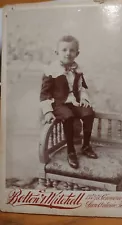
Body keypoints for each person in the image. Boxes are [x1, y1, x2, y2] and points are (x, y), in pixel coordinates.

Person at [40, 35, 98, 169]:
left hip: (74, 102)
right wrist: (48, 111)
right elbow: (44, 93)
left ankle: (86, 145)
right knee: (68, 117)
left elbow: (82, 87)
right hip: (59, 104)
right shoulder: (51, 70)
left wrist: (84, 98)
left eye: (72, 50)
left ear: (77, 53)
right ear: (57, 52)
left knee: (89, 113)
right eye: (64, 50)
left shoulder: (78, 69)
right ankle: (71, 151)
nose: (68, 53)